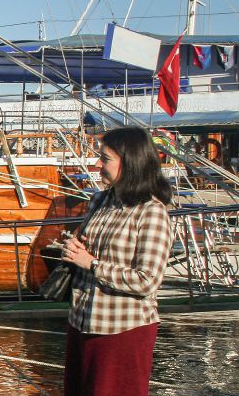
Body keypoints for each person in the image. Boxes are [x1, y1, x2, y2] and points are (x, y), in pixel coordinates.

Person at [61, 126, 173, 396]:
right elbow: (87, 252)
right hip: (82, 322)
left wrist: (92, 264)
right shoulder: (100, 201)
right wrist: (72, 249)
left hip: (123, 330)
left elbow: (147, 280)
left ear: (130, 162)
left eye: (105, 158)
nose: (98, 164)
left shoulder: (151, 212)